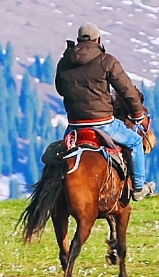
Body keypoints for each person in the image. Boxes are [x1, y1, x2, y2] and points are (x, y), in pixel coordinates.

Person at [52, 23, 149, 202]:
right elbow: (127, 91)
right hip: (103, 123)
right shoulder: (107, 60)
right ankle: (138, 187)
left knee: (56, 156)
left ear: (79, 39)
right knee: (135, 142)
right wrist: (137, 114)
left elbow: (60, 89)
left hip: (74, 126)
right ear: (98, 40)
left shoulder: (64, 62)